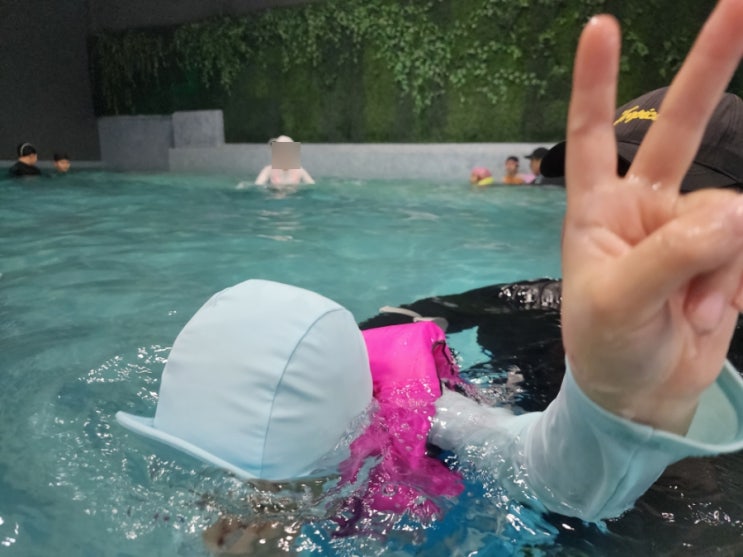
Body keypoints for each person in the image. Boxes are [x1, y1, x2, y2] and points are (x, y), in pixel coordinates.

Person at [116, 0, 743, 549]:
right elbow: (401, 343)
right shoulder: (529, 302)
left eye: (679, 205)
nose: (627, 234)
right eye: (601, 190)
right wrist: (287, 432)